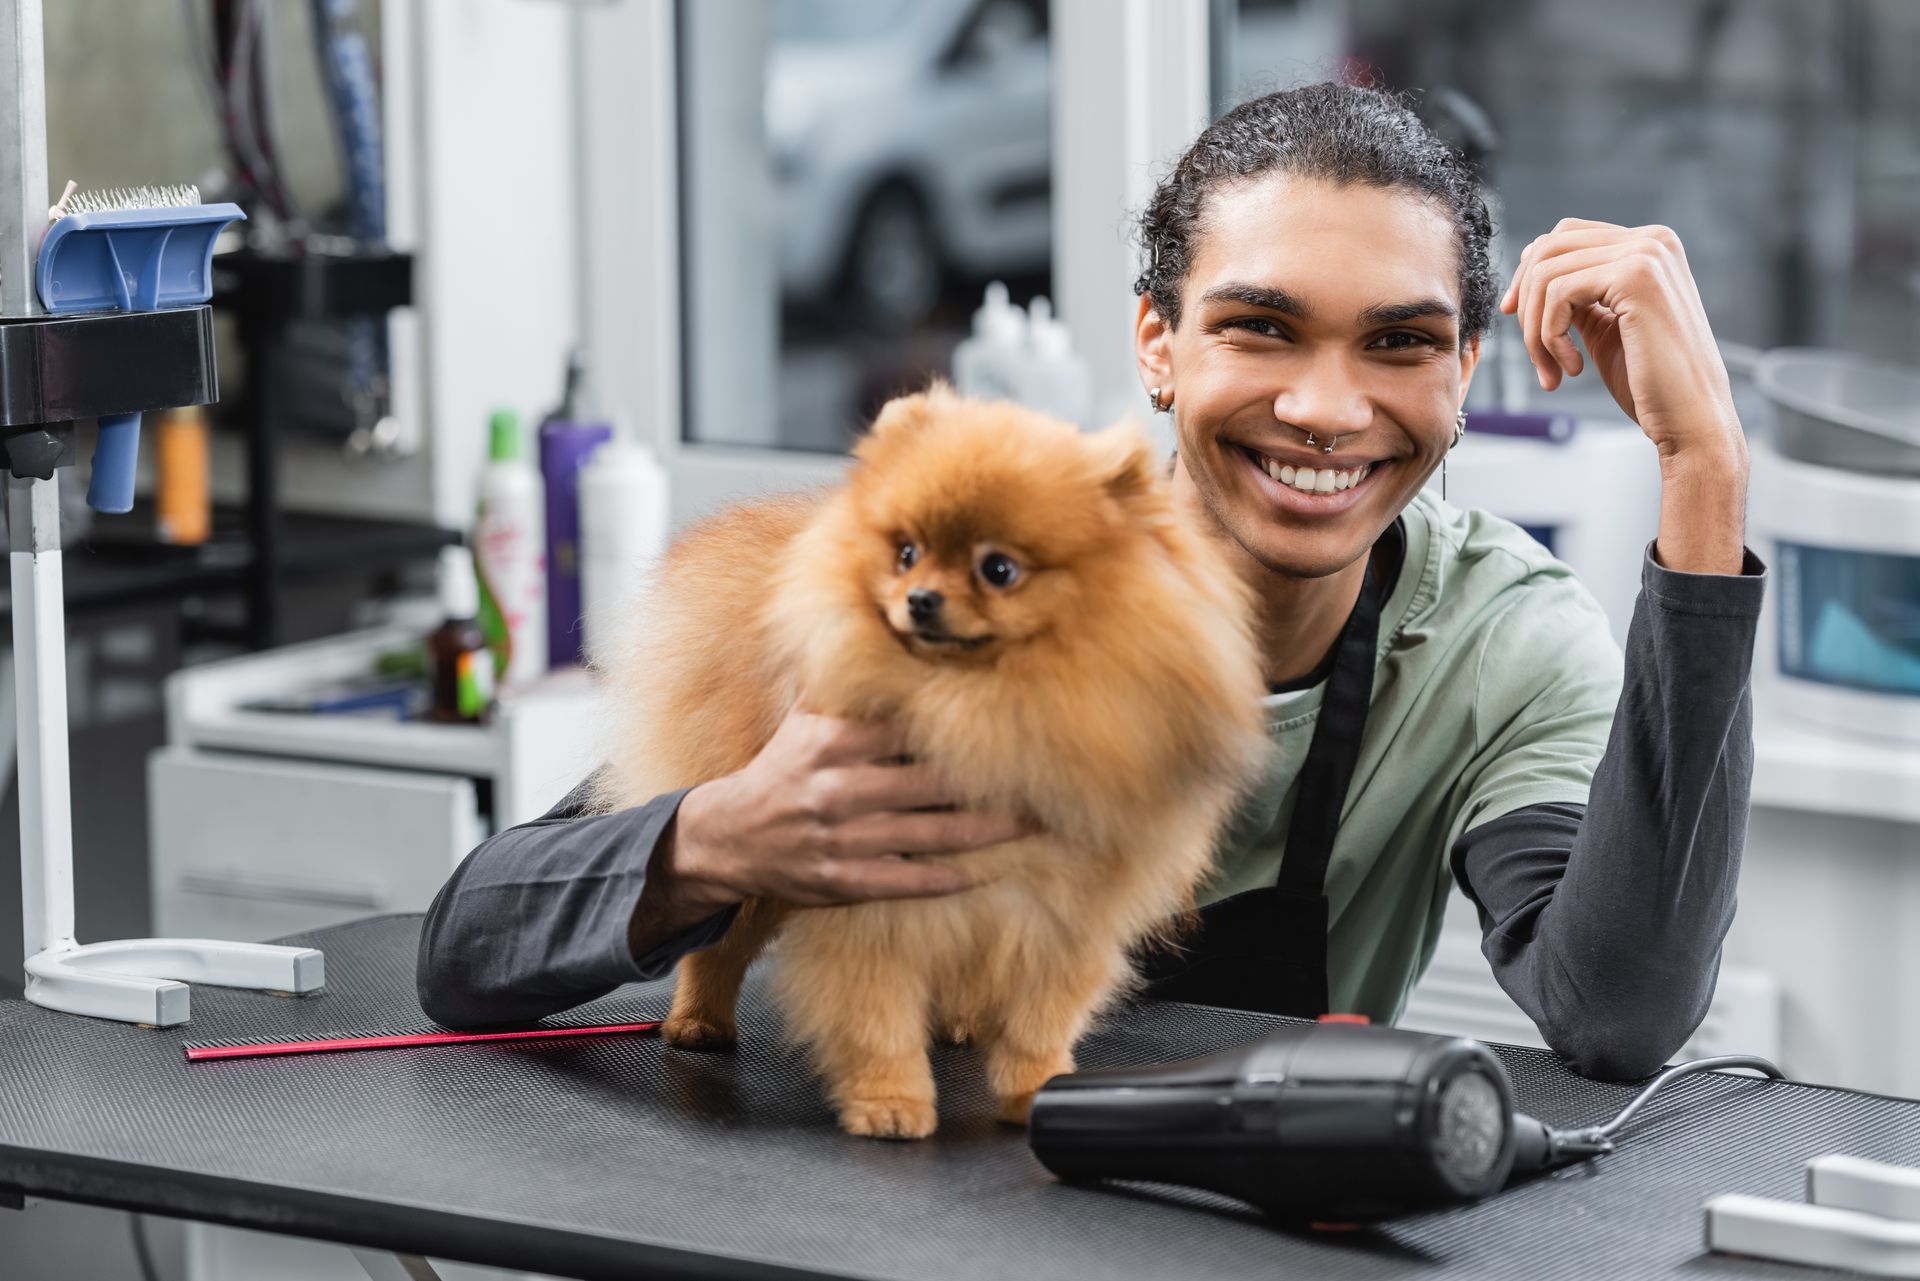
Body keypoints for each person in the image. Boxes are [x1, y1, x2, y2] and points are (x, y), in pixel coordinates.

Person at [417, 82, 1763, 1082]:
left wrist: (1702, 474)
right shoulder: (951, 579)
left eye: (1399, 343)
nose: (1324, 405)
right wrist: (714, 835)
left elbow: (1618, 1010)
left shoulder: (1495, 649)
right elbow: (470, 947)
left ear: (1461, 377)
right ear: (1158, 345)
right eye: (1260, 326)